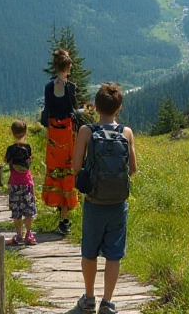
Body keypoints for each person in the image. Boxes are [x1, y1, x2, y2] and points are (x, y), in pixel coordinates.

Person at [67, 83, 136, 314]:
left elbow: (76, 166)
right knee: (113, 254)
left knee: (90, 251)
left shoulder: (87, 131)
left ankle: (88, 298)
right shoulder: (126, 132)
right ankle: (107, 302)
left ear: (96, 107)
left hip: (94, 202)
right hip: (118, 204)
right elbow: (133, 169)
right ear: (119, 108)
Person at [42, 49, 81, 236]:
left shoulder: (49, 87)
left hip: (52, 134)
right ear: (67, 67)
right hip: (66, 135)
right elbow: (73, 111)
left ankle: (60, 211)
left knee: (55, 172)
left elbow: (47, 112)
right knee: (67, 172)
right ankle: (65, 218)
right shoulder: (70, 88)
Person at [4, 119, 37, 246]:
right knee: (29, 209)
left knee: (16, 210)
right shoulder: (28, 148)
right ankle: (29, 234)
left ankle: (19, 235)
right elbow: (29, 162)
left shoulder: (10, 149)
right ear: (25, 132)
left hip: (14, 182)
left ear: (12, 132)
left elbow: (7, 161)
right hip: (27, 182)